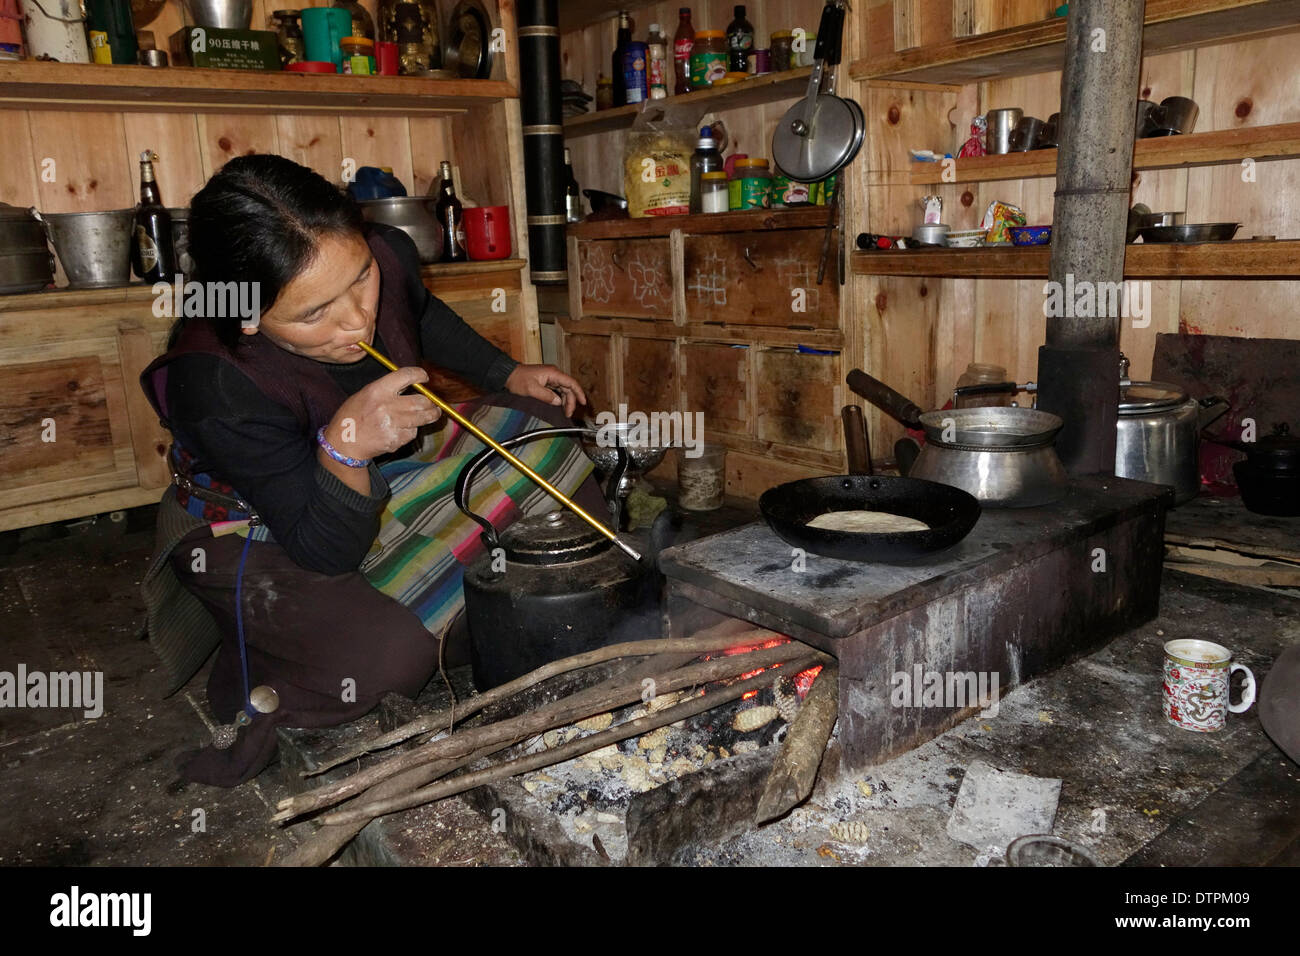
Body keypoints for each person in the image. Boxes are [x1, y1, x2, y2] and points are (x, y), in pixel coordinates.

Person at [138, 154, 602, 787]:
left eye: (359, 279)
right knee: (388, 654)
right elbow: (324, 547)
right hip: (254, 525)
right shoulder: (214, 379)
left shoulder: (382, 253)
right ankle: (273, 650)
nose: (356, 320)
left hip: (377, 461)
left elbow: (418, 314)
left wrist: (507, 373)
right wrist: (346, 447)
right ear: (247, 314)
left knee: (550, 438)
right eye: (313, 314)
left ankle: (503, 601)